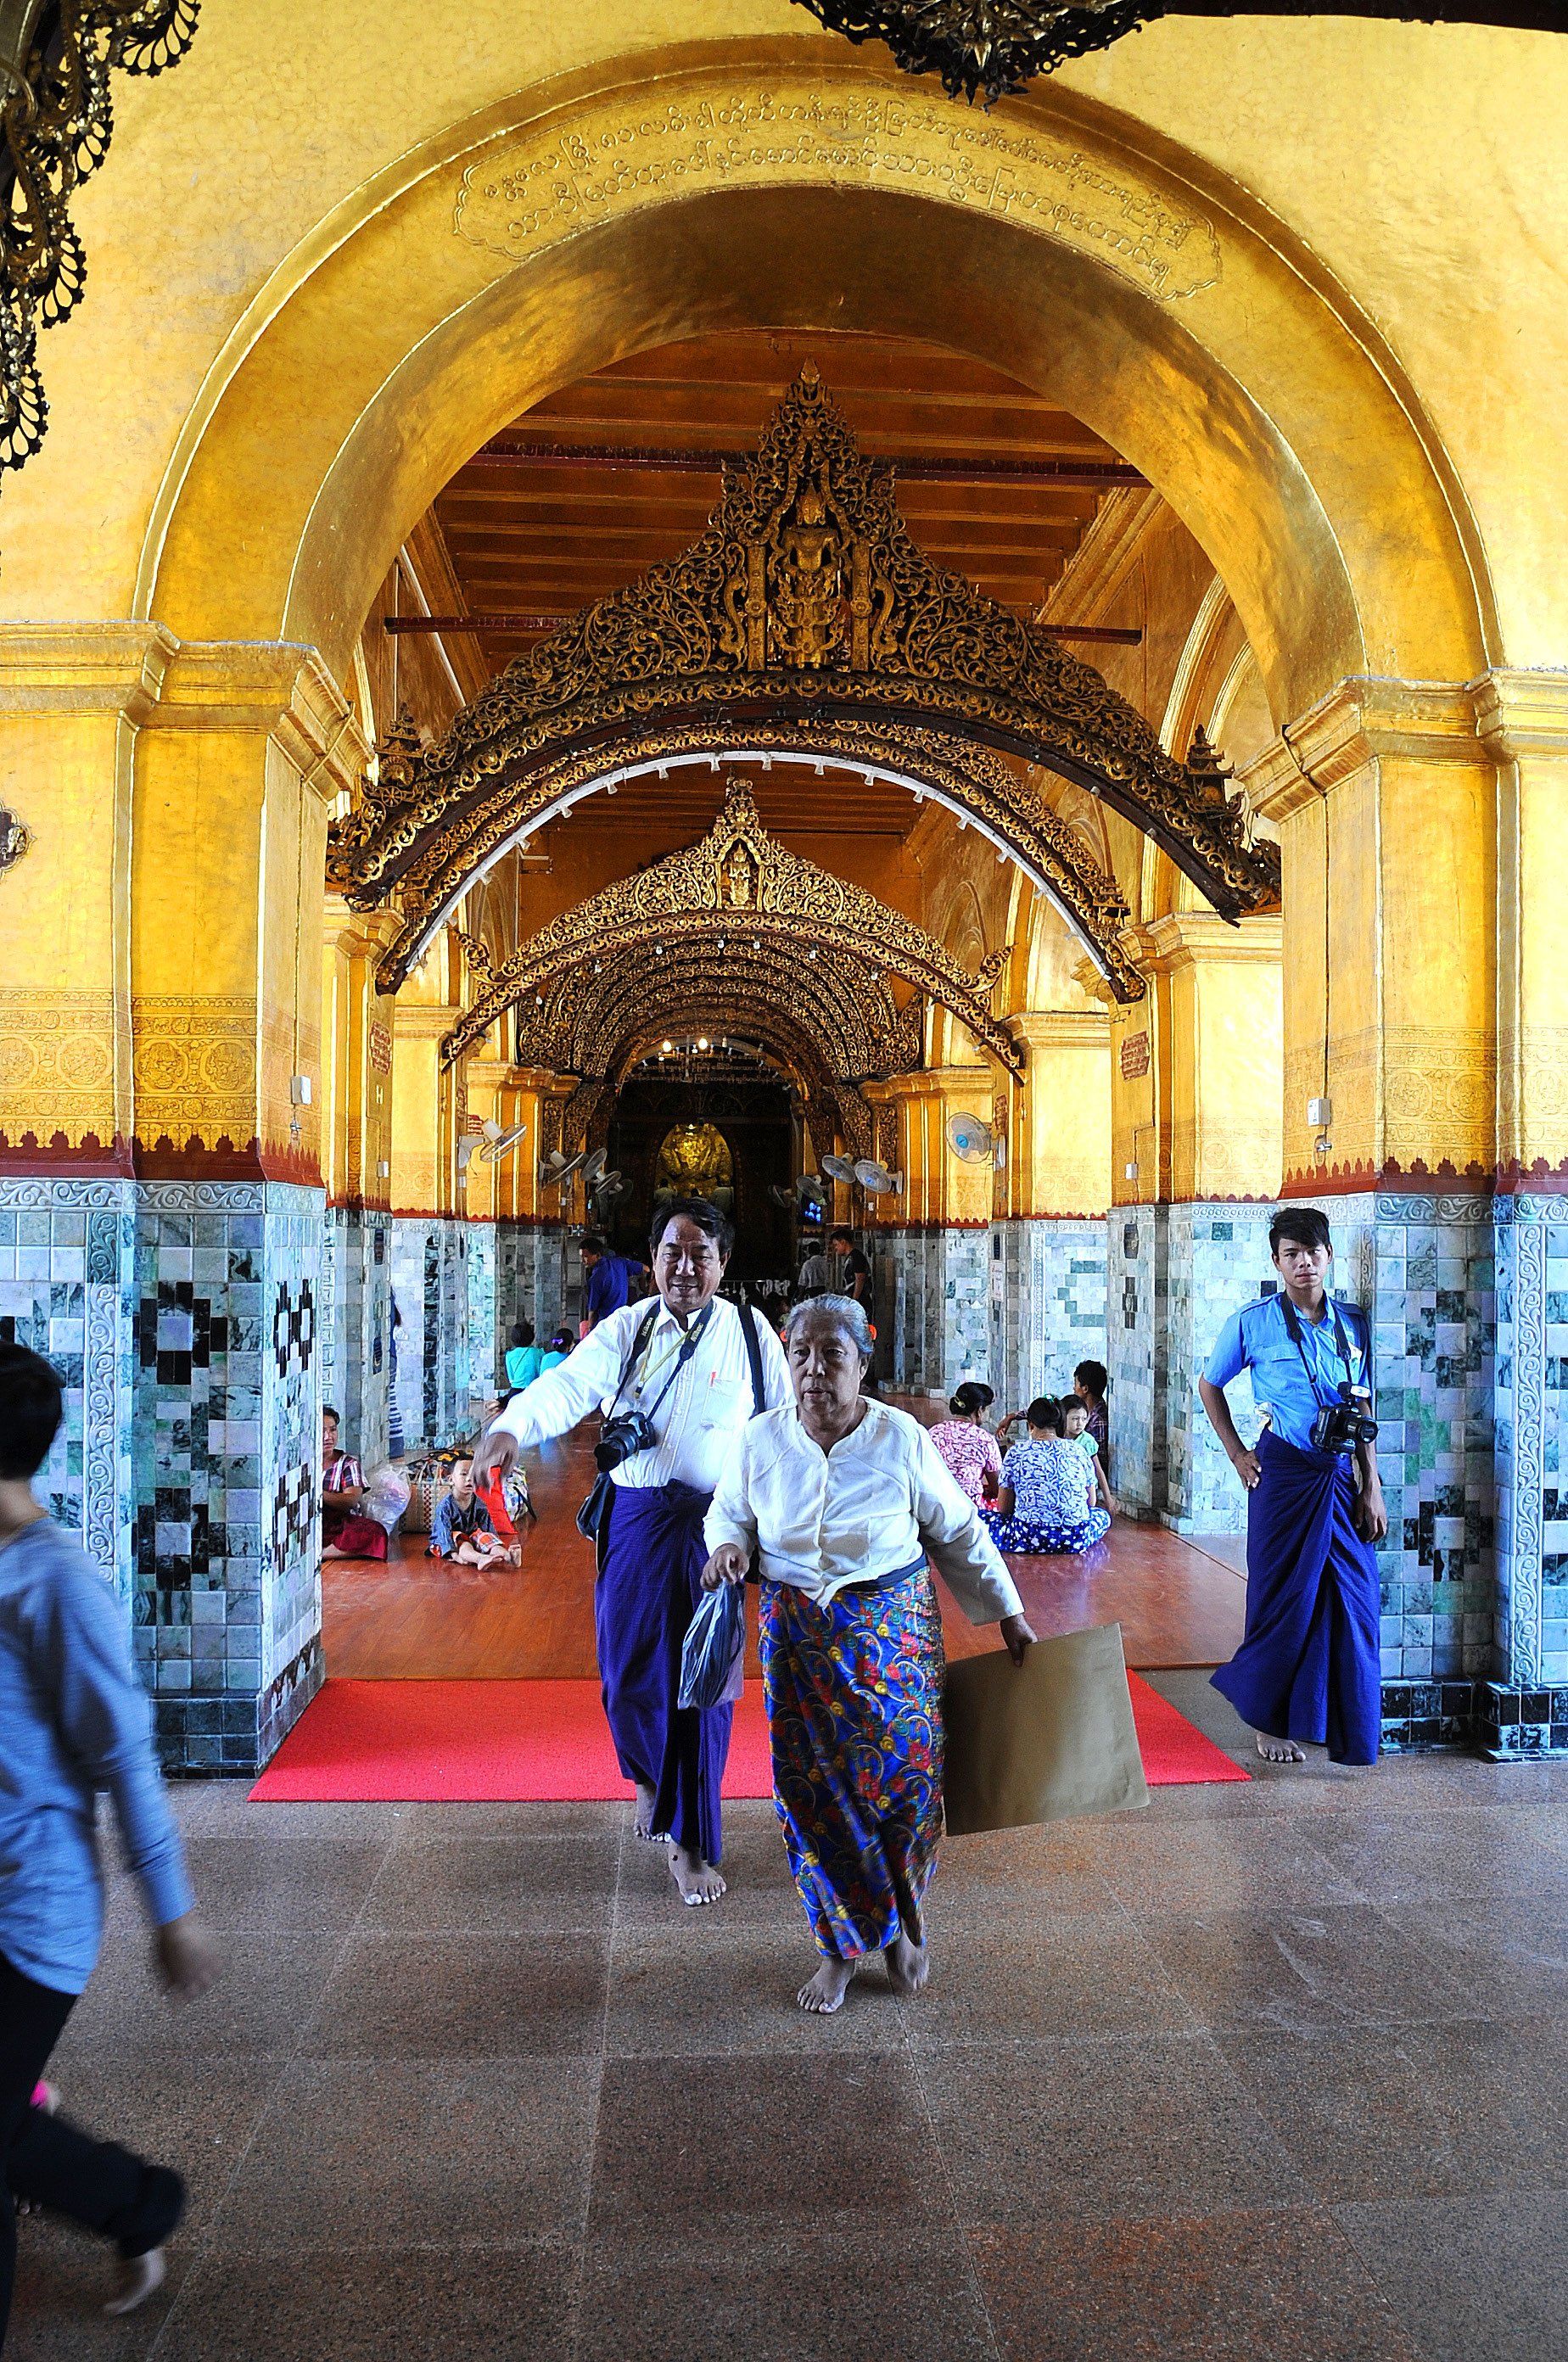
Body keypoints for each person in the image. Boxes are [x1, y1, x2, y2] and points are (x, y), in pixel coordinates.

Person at [701, 1296, 1035, 2014]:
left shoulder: (899, 1437)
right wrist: (728, 1546)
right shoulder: (760, 1439)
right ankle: (840, 1949)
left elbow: (959, 1530)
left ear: (862, 1362)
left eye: (833, 1355)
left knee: (907, 1784)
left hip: (892, 1634)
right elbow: (728, 1512)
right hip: (800, 1638)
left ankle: (904, 1916)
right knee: (813, 1795)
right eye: (800, 1355)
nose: (814, 1371)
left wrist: (1009, 1614)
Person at [475, 1196, 792, 1906]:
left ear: (723, 1263)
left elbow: (781, 1431)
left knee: (703, 1688)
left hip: (715, 1532)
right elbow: (567, 1386)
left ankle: (692, 1842)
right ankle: (650, 1777)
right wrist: (512, 1427)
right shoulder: (628, 1328)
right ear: (652, 1260)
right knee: (628, 1679)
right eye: (672, 1253)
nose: (686, 1268)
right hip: (636, 1524)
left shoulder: (750, 1334)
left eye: (701, 1255)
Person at [0, 1343, 221, 2342]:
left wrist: (171, 1911)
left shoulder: (54, 1583)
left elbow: (125, 1757)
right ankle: (135, 2204)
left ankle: (141, 2203)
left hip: (28, 1908)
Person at [1197, 1206, 1386, 1767]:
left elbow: (1363, 1407)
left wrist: (1371, 1484)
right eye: (1292, 1254)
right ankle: (1269, 1722)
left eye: (1313, 1252)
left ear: (1329, 1255)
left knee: (1354, 1600)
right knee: (1281, 1598)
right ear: (1277, 1262)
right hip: (1282, 1474)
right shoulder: (1252, 1322)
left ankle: (1340, 1723)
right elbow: (1210, 1385)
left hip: (1340, 1475)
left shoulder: (1353, 1324)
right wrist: (1237, 1453)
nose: (1304, 1263)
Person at [984, 1397, 1112, 1555]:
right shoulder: (1079, 1451)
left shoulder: (1016, 1452)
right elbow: (1090, 1503)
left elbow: (1004, 1509)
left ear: (1030, 1425)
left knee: (981, 1518)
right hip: (1075, 1537)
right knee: (1102, 1516)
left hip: (1026, 1537)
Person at [319, 1406, 389, 1562]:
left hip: (340, 1525)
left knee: (376, 1533)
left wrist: (320, 1495)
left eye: (332, 1430)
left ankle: (321, 1554)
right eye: (322, 1431)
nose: (328, 1437)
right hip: (314, 1523)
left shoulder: (348, 1464)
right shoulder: (302, 1464)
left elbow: (351, 1500)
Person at [428, 1456, 519, 1567]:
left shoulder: (478, 1503)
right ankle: (480, 1559)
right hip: (450, 1541)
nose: (469, 1479)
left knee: (484, 1537)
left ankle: (509, 1556)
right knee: (463, 1543)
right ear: (451, 1479)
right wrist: (455, 1556)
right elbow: (443, 1532)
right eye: (463, 1474)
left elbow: (488, 1528)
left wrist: (492, 1542)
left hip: (470, 1536)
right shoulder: (445, 1506)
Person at [927, 1381, 1002, 1506]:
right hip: (969, 1508)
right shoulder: (985, 1440)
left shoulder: (934, 1432)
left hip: (935, 1504)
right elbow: (998, 1488)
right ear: (979, 1410)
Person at [580, 1234, 648, 1333]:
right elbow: (646, 1269)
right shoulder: (620, 1263)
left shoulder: (595, 1279)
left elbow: (592, 1310)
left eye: (586, 1256)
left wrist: (591, 1330)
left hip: (606, 1324)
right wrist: (644, 1286)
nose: (582, 1260)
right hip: (623, 1320)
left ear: (597, 1255)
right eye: (581, 1256)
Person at [1062, 1397, 1116, 1514]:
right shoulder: (1057, 1438)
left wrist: (1108, 1498)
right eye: (1075, 1419)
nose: (1080, 1423)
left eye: (1084, 1419)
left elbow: (1098, 1470)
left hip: (1085, 1489)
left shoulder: (1087, 1441)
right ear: (1063, 1417)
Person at [1073, 1360, 1110, 1451]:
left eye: (1076, 1384)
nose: (1074, 1388)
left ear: (1085, 1389)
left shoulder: (1098, 1419)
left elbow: (1099, 1455)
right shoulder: (1088, 1413)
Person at [504, 1321, 543, 1392]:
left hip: (516, 1391)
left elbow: (511, 1379)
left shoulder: (509, 1355)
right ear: (531, 1337)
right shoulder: (539, 1352)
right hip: (534, 1390)